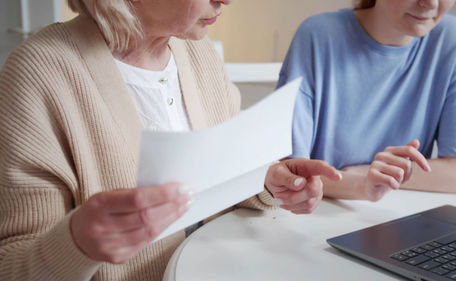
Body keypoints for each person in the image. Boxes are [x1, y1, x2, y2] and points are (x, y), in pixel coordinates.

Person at [0, 0, 342, 280]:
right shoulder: (36, 75)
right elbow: (12, 266)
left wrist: (267, 180)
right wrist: (76, 244)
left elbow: (216, 178)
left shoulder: (198, 52)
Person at [277, 0, 456, 202]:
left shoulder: (452, 38)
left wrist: (369, 174)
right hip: (318, 216)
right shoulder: (318, 35)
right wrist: (362, 185)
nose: (431, 3)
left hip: (398, 220)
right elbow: (292, 175)